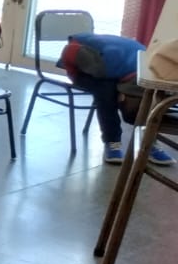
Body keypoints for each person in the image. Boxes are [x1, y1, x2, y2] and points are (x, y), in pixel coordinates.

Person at [56, 32, 174, 166]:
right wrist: (75, 77)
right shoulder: (100, 66)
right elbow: (69, 52)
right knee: (106, 92)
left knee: (142, 107)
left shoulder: (149, 65)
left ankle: (148, 143)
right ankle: (112, 142)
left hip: (118, 61)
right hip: (82, 62)